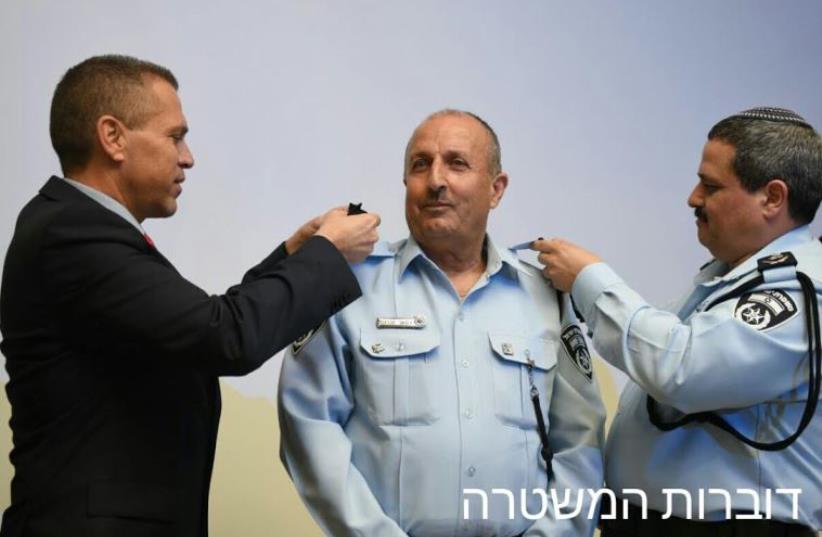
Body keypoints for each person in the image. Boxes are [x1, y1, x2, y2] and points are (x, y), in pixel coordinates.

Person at [0, 54, 380, 537]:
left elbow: (195, 324)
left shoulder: (77, 229)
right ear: (113, 136)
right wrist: (328, 253)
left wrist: (293, 253)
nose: (188, 157)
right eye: (174, 136)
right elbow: (224, 336)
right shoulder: (72, 233)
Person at [278, 109, 606, 537]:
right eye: (420, 165)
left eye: (457, 163)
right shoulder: (348, 287)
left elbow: (581, 441)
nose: (435, 180)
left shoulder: (547, 294)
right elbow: (309, 427)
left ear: (496, 188)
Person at [533, 107, 822, 536]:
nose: (693, 198)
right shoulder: (727, 278)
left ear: (772, 198)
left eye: (711, 185)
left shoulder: (802, 290)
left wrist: (591, 281)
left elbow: (684, 370)